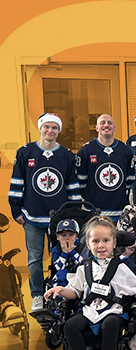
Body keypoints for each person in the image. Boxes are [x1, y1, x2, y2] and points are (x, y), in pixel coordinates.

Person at [44, 216, 136, 350]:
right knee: (69, 326)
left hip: (116, 311)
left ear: (114, 243)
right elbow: (74, 291)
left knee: (110, 323)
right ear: (88, 245)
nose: (101, 245)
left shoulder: (124, 266)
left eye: (106, 240)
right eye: (95, 241)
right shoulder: (85, 267)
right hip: (90, 311)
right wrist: (60, 290)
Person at [9, 113, 81, 311]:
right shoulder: (25, 152)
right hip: (32, 216)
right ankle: (38, 295)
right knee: (34, 260)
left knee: (63, 256)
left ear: (59, 130)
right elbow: (17, 183)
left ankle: (61, 291)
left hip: (59, 220)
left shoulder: (67, 155)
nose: (50, 131)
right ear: (40, 128)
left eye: (54, 128)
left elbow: (72, 186)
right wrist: (16, 211)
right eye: (47, 127)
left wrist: (74, 215)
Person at [76, 114, 134, 221]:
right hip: (93, 211)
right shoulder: (86, 151)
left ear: (114, 128)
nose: (106, 125)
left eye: (110, 123)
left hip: (119, 211)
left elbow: (129, 179)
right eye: (102, 123)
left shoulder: (125, 150)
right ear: (96, 128)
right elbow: (81, 180)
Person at [51, 219, 86, 287]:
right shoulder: (56, 249)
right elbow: (59, 268)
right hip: (63, 275)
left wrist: (72, 251)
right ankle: (59, 295)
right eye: (63, 235)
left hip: (79, 273)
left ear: (76, 236)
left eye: (71, 235)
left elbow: (84, 265)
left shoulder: (82, 247)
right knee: (61, 274)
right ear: (57, 237)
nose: (67, 238)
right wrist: (64, 252)